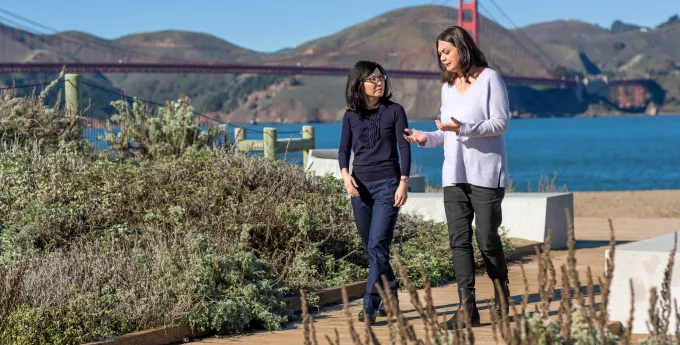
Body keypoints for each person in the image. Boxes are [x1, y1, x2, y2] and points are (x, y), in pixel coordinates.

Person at [403, 26, 511, 329]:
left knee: (487, 238)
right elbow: (446, 133)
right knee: (458, 242)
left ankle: (502, 294)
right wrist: (427, 137)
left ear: (461, 48)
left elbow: (501, 123)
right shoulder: (446, 88)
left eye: (446, 51)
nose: (442, 58)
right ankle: (468, 309)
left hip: (486, 173)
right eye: (439, 54)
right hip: (453, 174)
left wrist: (463, 128)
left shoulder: (490, 78)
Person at [338, 60, 411, 324]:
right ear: (359, 84)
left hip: (388, 185)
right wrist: (345, 175)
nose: (379, 82)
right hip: (360, 188)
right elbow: (344, 150)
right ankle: (390, 298)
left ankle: (370, 304)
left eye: (381, 77)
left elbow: (404, 148)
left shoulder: (395, 111)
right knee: (373, 249)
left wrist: (403, 181)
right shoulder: (350, 116)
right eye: (372, 79)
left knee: (378, 244)